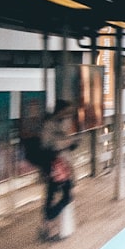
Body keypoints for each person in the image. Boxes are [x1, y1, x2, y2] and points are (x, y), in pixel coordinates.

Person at [39, 100, 77, 240]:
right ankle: (49, 224)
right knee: (62, 196)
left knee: (53, 196)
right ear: (60, 111)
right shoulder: (50, 125)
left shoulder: (60, 123)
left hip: (61, 166)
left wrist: (69, 143)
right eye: (66, 111)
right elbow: (47, 145)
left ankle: (48, 228)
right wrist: (66, 143)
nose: (68, 115)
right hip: (54, 167)